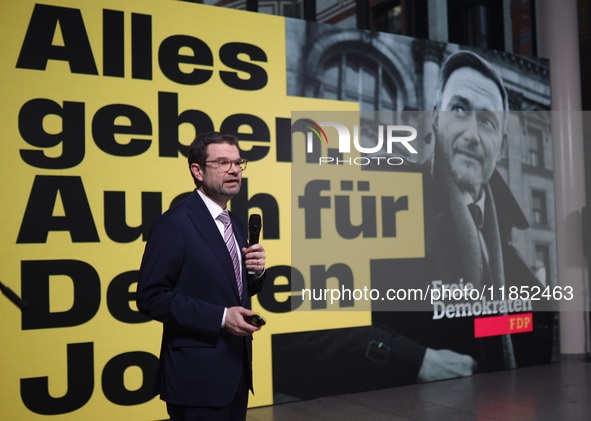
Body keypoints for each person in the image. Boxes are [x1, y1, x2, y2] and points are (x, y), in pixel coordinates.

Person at [272, 50, 554, 400]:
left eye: (487, 121)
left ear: (502, 146)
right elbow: (290, 335)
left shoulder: (516, 265)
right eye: (459, 109)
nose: (471, 133)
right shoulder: (379, 203)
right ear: (435, 119)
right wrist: (415, 361)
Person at [137, 131, 267, 420]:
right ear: (197, 170)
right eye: (222, 162)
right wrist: (221, 317)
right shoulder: (174, 223)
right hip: (196, 380)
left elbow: (230, 287)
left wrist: (256, 273)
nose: (233, 169)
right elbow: (150, 297)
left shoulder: (233, 221)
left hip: (237, 373)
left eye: (237, 162)